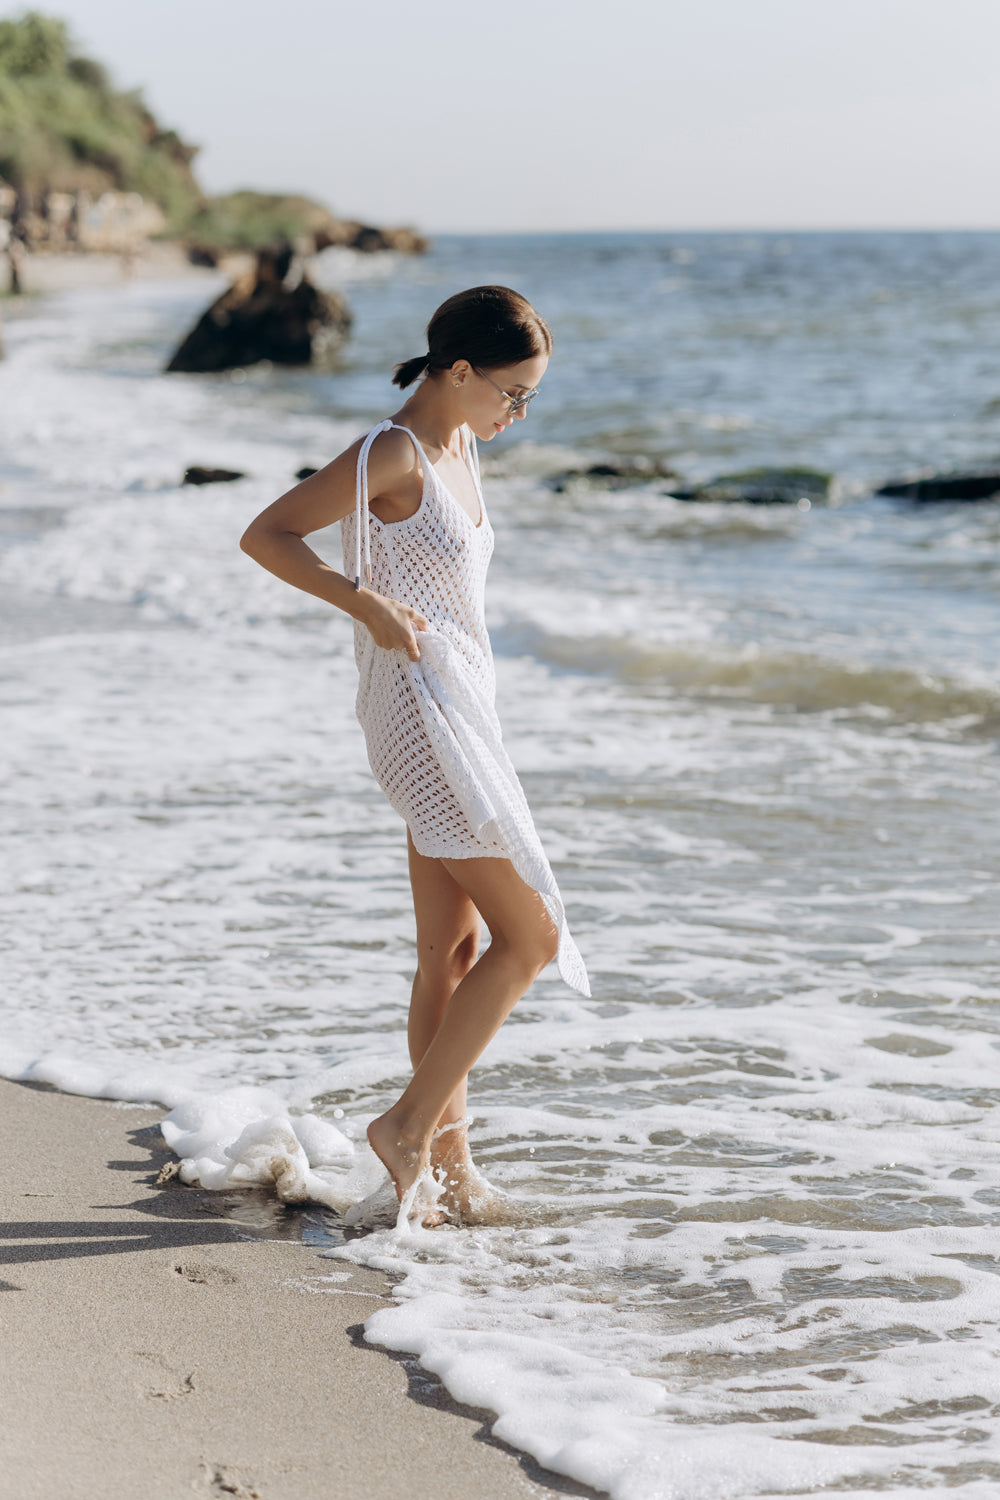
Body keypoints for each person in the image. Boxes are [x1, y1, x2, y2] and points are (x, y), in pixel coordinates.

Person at [240, 285, 589, 1226]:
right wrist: (366, 603)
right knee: (532, 939)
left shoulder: (461, 443)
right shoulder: (389, 451)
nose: (517, 413)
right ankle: (405, 1130)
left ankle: (447, 1164)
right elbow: (265, 533)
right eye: (512, 392)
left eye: (531, 400)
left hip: (461, 706)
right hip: (415, 713)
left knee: (453, 947)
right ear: (461, 370)